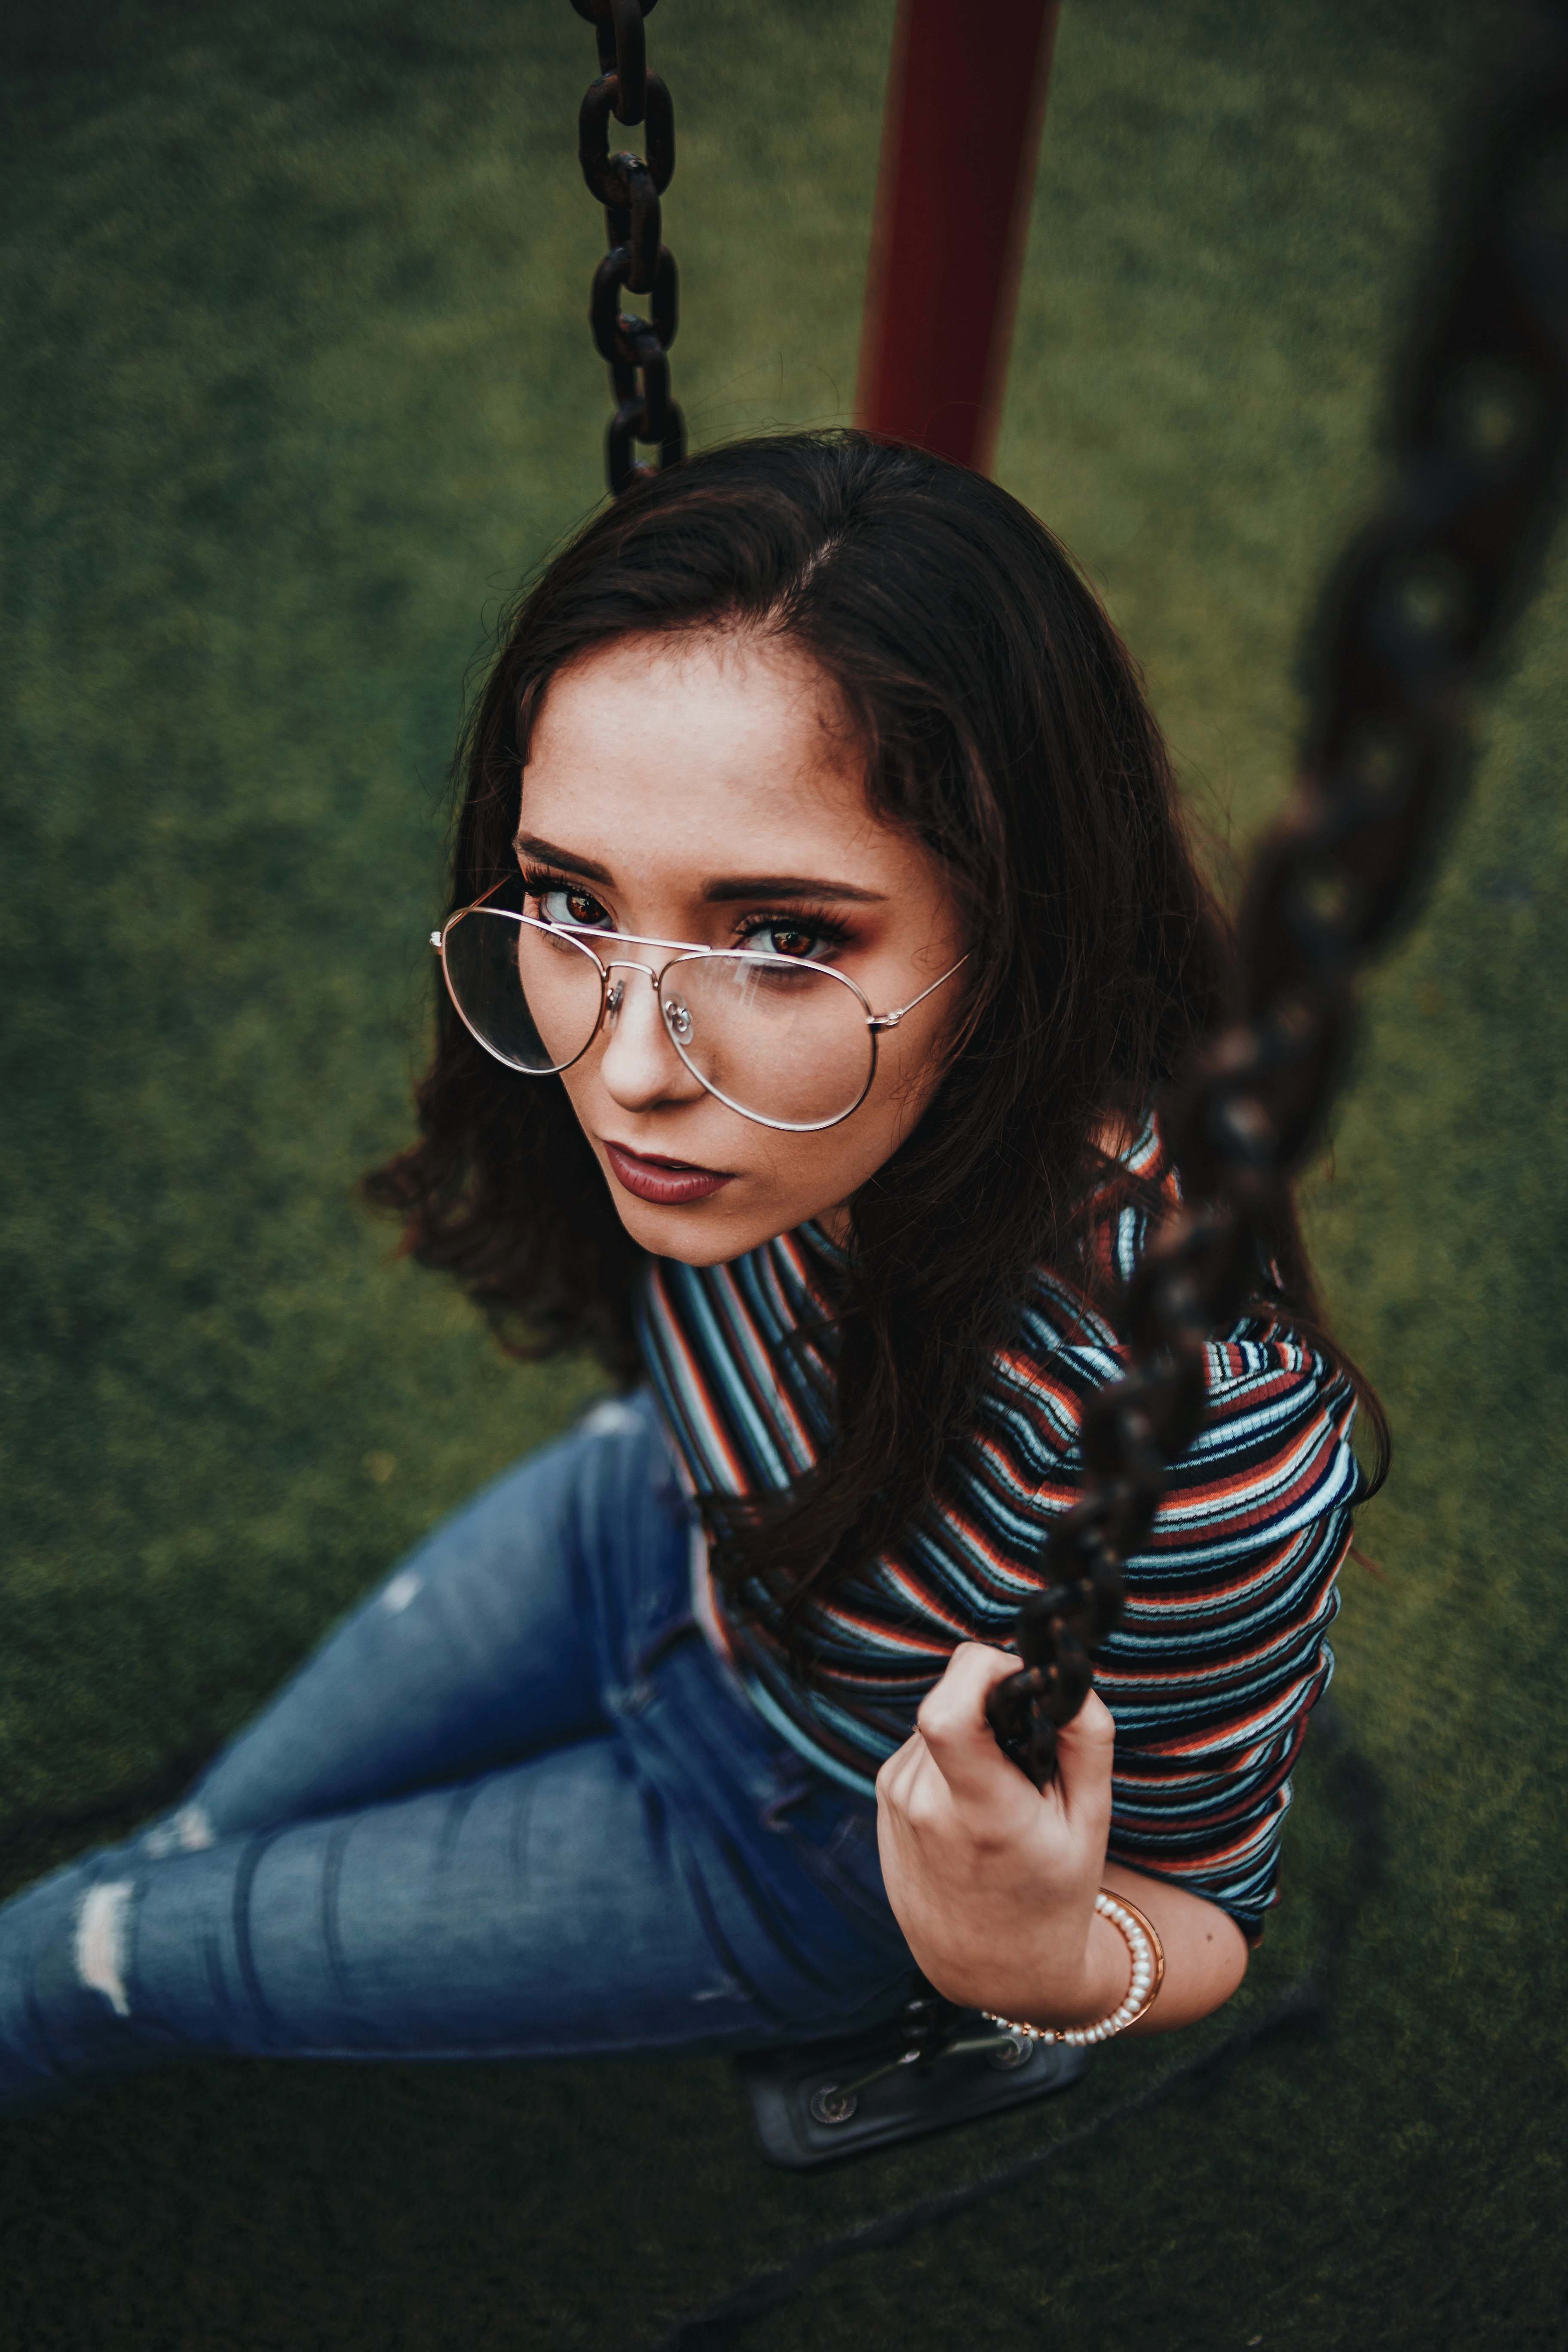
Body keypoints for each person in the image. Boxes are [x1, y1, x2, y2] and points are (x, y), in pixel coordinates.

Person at [0, 432, 1381, 2112]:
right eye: (571, 905)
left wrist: (1038, 1959)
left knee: (93, 1962)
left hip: (803, 1838)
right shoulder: (735, 1136)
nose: (633, 1075)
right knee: (188, 1851)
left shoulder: (1190, 1430)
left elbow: (1209, 1899)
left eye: (786, 941)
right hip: (639, 1526)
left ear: (1016, 930)